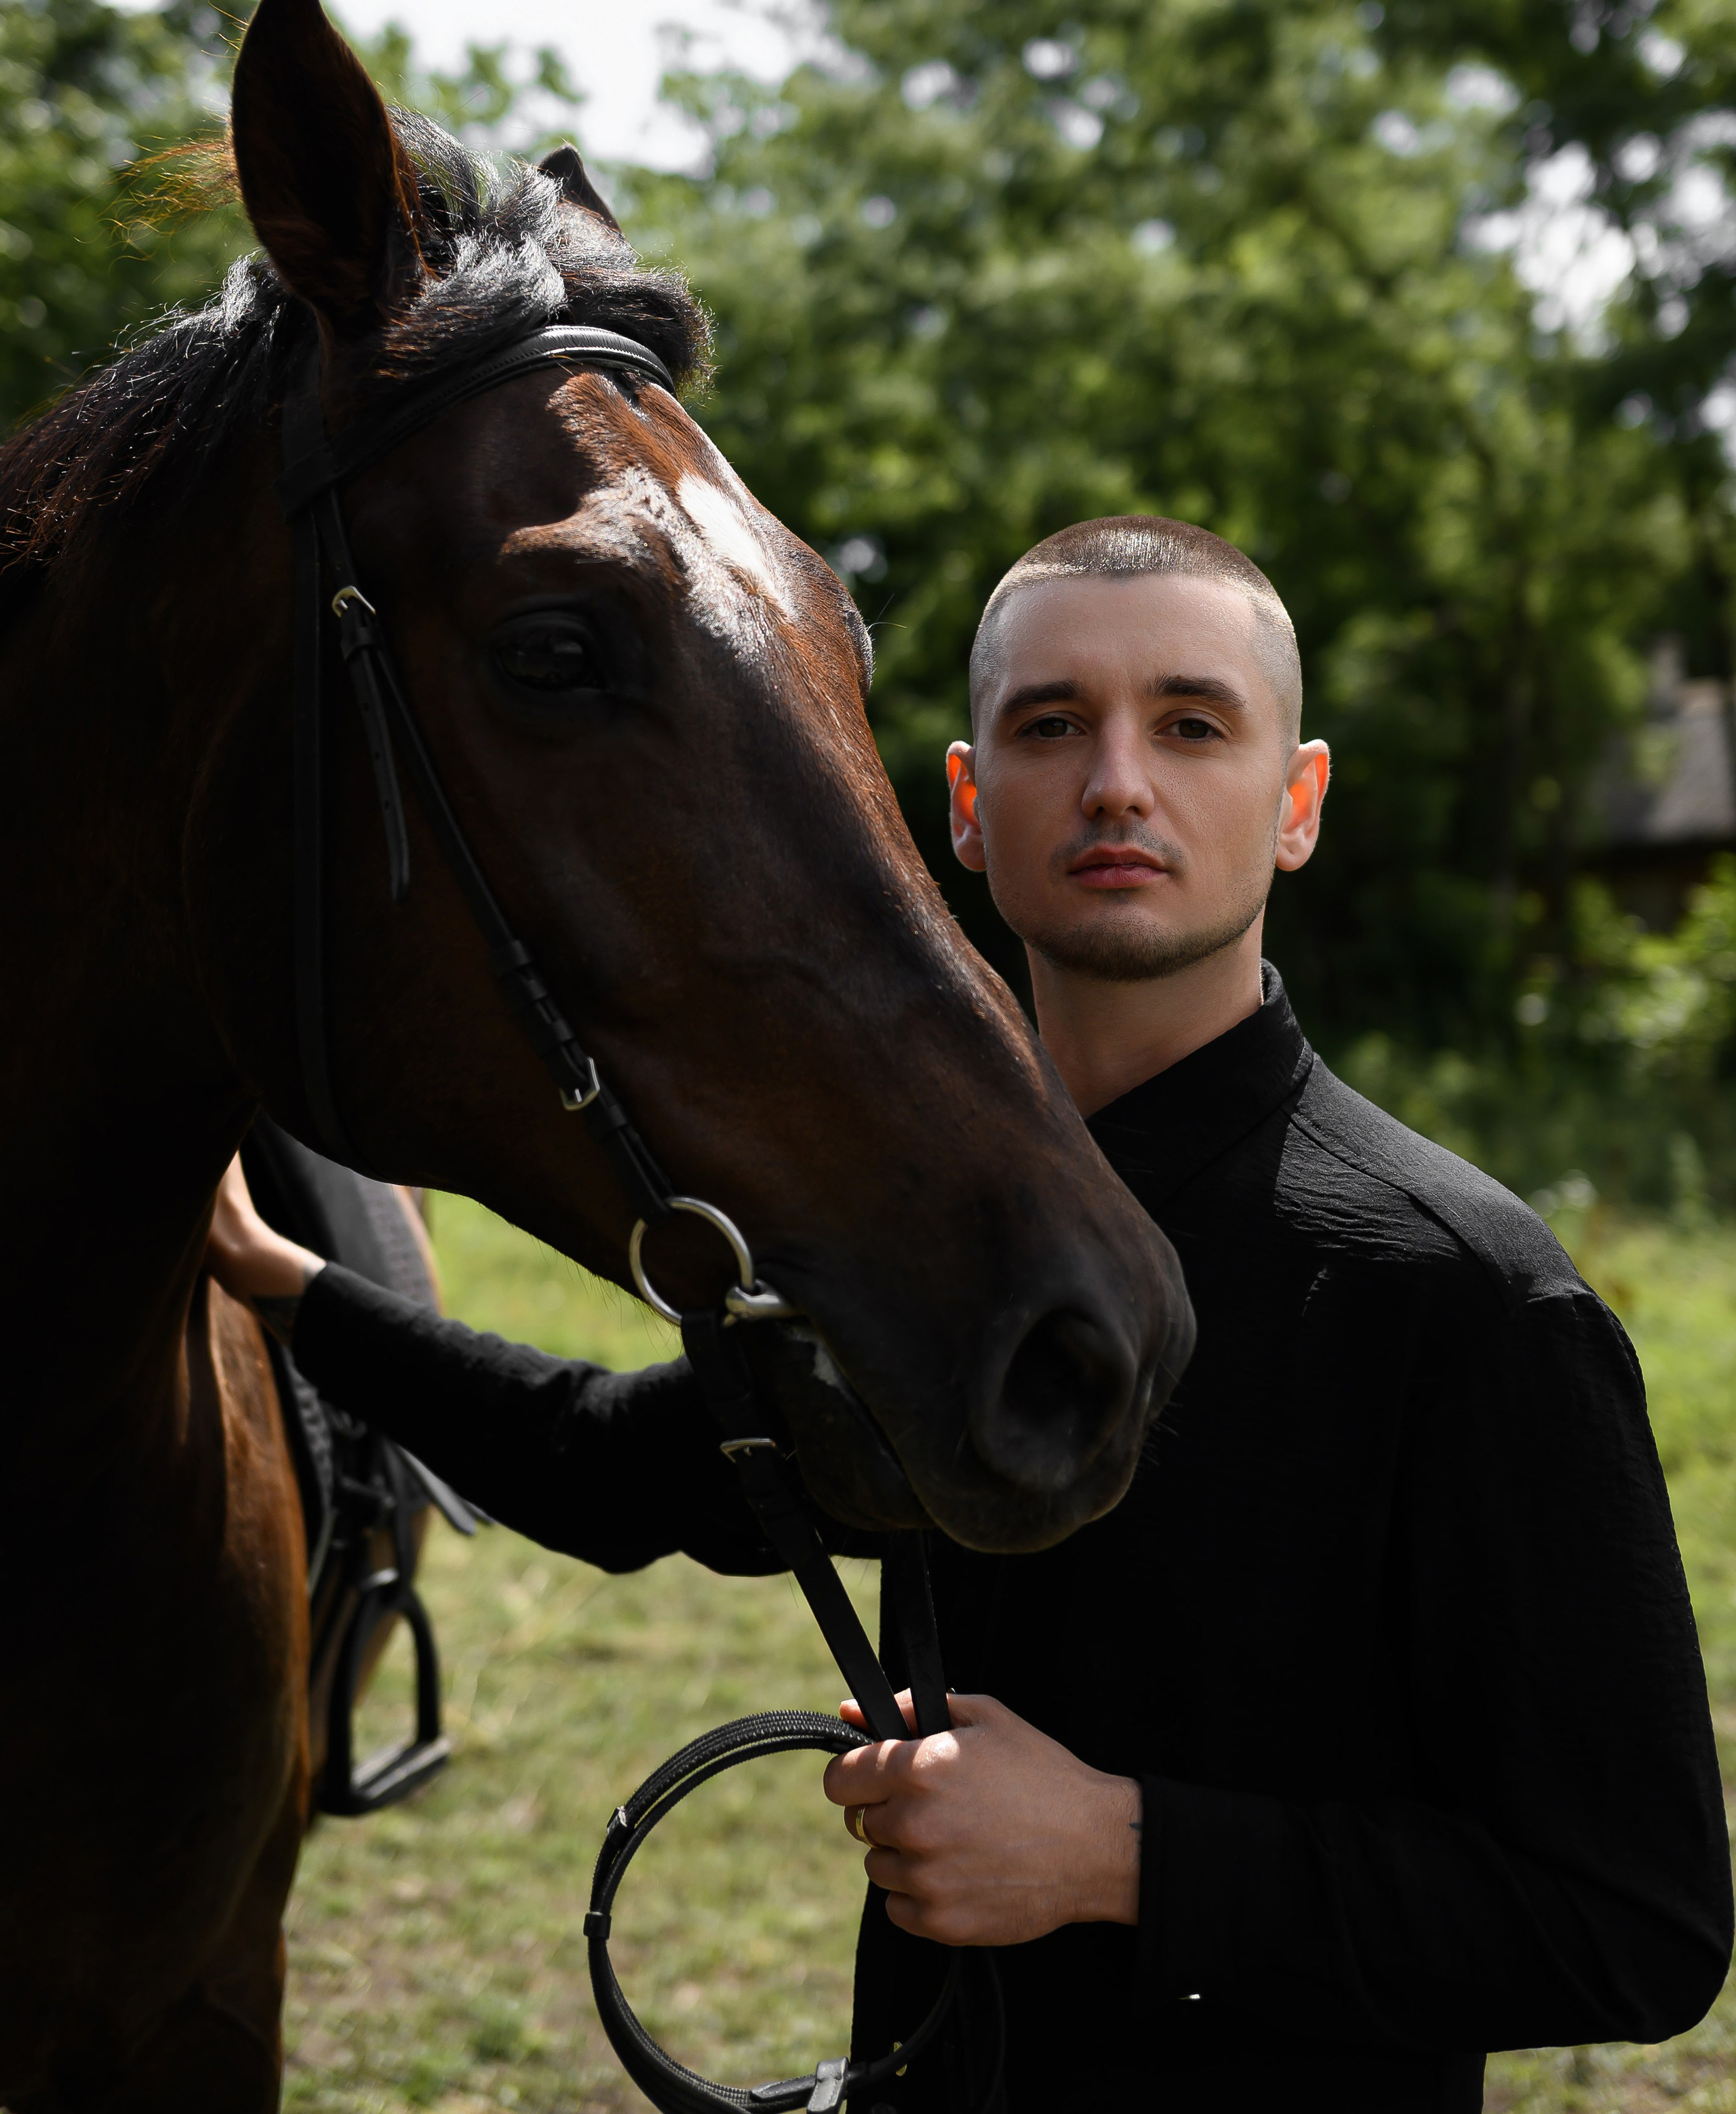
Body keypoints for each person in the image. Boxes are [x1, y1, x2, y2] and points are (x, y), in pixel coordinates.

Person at [207, 515, 1732, 2114]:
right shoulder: (917, 1241)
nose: (1116, 782)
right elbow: (610, 1466)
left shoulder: (1466, 1293)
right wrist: (294, 1285)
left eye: (1191, 723)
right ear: (961, 804)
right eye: (1050, 724)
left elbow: (1635, 1926)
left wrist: (1120, 1855)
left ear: (1295, 808)